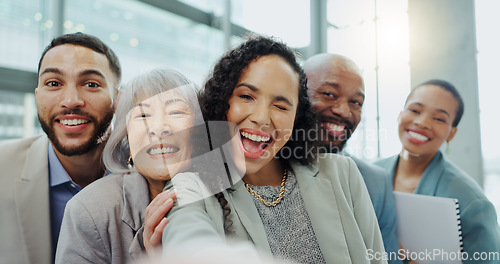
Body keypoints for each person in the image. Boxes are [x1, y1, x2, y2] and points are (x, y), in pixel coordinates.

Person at [162, 36, 386, 263]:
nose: (261, 118)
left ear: (296, 118)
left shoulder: (342, 173)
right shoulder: (191, 186)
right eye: (246, 96)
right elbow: (190, 244)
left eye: (280, 106)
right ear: (220, 100)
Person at [55, 68, 206, 263]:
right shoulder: (89, 211)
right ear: (126, 137)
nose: (158, 128)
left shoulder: (232, 197)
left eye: (175, 112)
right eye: (143, 116)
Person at [0, 32, 121, 264]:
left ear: (117, 100)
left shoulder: (155, 170)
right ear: (37, 96)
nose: (71, 100)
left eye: (91, 84)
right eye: (53, 83)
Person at [375, 79, 500, 262]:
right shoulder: (369, 176)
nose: (422, 122)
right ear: (400, 115)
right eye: (415, 110)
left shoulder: (471, 202)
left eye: (439, 118)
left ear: (451, 133)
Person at [303, 53, 400, 262]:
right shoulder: (264, 169)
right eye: (329, 94)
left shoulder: (375, 182)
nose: (343, 111)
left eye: (356, 102)